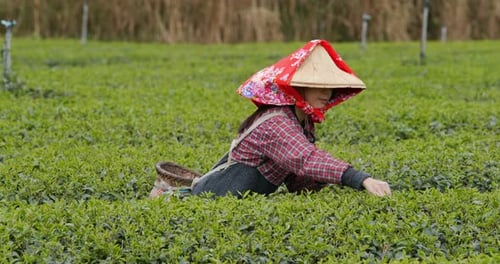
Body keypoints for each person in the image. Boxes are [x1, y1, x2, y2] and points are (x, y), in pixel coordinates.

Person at [150, 39, 391, 199]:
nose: (326, 93)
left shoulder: (302, 120)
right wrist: (360, 179)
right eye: (317, 85)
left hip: (239, 202)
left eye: (330, 86)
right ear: (298, 87)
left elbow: (296, 175)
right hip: (214, 198)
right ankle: (166, 195)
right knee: (178, 201)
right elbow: (305, 158)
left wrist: (325, 185)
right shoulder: (277, 122)